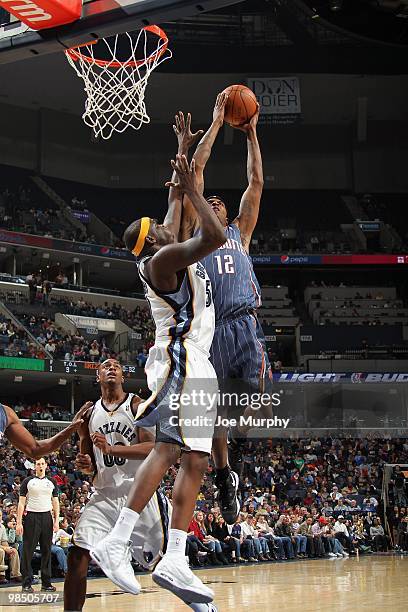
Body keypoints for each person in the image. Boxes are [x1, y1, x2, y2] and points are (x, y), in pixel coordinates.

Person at [90, 150, 225, 608]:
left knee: (196, 460)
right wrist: (189, 189)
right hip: (181, 356)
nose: (172, 221)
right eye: (164, 227)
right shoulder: (163, 261)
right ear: (155, 242)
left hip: (197, 361)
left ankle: (176, 557)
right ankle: (118, 539)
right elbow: (215, 232)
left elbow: (179, 201)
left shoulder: (162, 246)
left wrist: (196, 145)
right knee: (169, 449)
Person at [177, 95, 272, 523]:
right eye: (207, 202)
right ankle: (224, 475)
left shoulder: (240, 233)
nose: (213, 201)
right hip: (212, 331)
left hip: (246, 326)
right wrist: (216, 122)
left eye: (219, 202)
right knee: (214, 410)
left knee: (255, 409)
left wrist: (251, 133)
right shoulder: (196, 240)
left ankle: (234, 459)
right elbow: (194, 174)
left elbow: (255, 183)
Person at [63, 358, 166, 612]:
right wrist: (86, 462)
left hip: (138, 493)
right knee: (77, 555)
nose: (111, 368)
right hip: (105, 494)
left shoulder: (136, 405)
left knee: (159, 566)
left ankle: (201, 605)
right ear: (98, 377)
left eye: (116, 366)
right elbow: (88, 459)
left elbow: (152, 448)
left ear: (122, 377)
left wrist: (110, 448)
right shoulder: (89, 413)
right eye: (105, 366)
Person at [17, 457, 59, 592]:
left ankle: (46, 583)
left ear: (46, 465)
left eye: (42, 463)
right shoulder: (27, 481)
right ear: (34, 466)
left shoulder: (52, 482)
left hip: (47, 516)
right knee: (28, 551)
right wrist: (19, 522)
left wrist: (56, 520)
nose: (40, 466)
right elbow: (21, 503)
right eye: (37, 464)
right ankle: (26, 583)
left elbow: (56, 502)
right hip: (31, 517)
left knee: (47, 550)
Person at [0, 517, 22, 584]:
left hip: (1, 545)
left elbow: (4, 541)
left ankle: (16, 575)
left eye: (0, 515)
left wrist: (8, 548)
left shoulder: (2, 527)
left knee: (14, 551)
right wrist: (5, 548)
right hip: (1, 548)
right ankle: (1, 575)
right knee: (1, 551)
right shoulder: (5, 527)